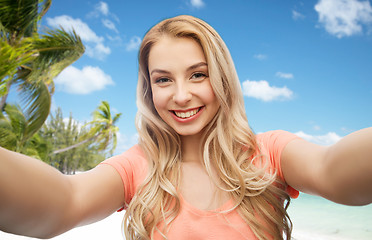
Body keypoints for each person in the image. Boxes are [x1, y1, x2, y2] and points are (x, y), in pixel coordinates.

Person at [0, 15, 371, 240]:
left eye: (198, 75)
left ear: (222, 78)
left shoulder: (270, 152)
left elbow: (333, 173)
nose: (181, 95)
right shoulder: (137, 168)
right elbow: (64, 202)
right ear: (149, 89)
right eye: (163, 80)